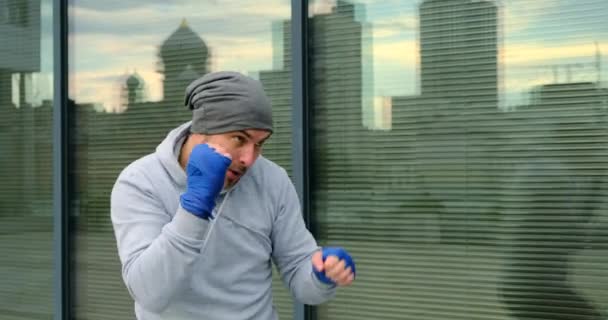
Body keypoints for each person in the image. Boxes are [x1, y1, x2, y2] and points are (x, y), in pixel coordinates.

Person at [111, 71, 356, 320]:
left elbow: (299, 273)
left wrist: (321, 273)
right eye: (239, 139)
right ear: (202, 129)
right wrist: (195, 207)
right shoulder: (141, 182)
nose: (249, 158)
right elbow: (149, 293)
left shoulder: (272, 180)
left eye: (259, 144)